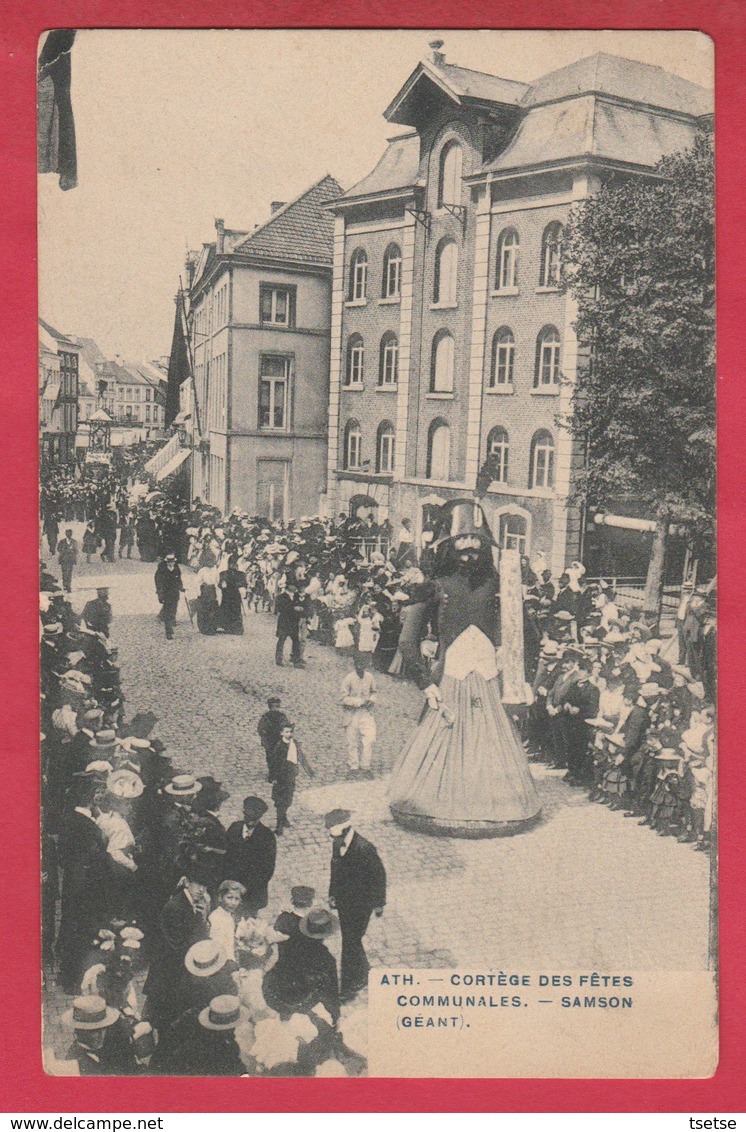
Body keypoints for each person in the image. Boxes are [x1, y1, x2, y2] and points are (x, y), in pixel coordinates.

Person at [388, 500, 541, 836]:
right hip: (449, 681)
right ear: (449, 547)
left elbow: (526, 634)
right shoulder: (434, 586)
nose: (470, 554)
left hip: (489, 682)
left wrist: (520, 674)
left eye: (477, 547)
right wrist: (425, 683)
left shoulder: (500, 585)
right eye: (463, 546)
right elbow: (406, 640)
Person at [56, 776, 111, 993]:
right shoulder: (85, 825)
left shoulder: (70, 818)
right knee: (81, 930)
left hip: (74, 882)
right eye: (95, 794)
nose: (99, 798)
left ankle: (67, 974)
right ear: (88, 798)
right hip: (85, 885)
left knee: (72, 926)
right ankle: (73, 980)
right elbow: (96, 856)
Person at [326, 809, 386, 1001]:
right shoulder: (337, 843)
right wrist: (333, 894)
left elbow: (379, 876)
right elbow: (335, 868)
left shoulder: (365, 848)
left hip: (361, 904)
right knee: (351, 940)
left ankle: (349, 987)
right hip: (344, 901)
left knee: (350, 942)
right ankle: (363, 971)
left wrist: (378, 904)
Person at [142, 872, 211, 1033]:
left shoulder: (193, 904)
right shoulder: (175, 906)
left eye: (205, 886)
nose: (202, 890)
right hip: (168, 976)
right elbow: (180, 947)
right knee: (168, 1026)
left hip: (178, 976)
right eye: (198, 884)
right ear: (187, 883)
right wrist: (201, 921)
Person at [262, 907, 341, 1024]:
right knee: (322, 983)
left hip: (272, 992)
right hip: (299, 1002)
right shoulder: (326, 958)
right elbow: (330, 993)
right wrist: (336, 1015)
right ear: (326, 934)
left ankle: (285, 1015)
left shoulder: (289, 940)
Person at [224, 796, 277, 918]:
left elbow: (267, 869)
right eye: (247, 817)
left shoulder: (267, 836)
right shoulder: (234, 828)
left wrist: (246, 887)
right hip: (230, 889)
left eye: (254, 819)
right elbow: (225, 858)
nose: (249, 822)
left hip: (252, 894)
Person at [269, 723, 315, 835]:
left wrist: (309, 771)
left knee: (288, 799)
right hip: (281, 777)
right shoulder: (279, 746)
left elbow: (301, 757)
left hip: (291, 776)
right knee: (280, 801)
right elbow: (273, 763)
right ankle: (279, 825)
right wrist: (273, 777)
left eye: (290, 732)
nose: (289, 734)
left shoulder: (294, 743)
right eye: (286, 732)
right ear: (281, 733)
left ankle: (284, 819)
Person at [340, 654, 378, 779]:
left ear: (366, 665)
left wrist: (372, 700)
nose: (359, 667)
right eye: (357, 665)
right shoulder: (349, 678)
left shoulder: (370, 677)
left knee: (369, 739)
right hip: (352, 714)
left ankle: (366, 766)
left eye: (362, 665)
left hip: (366, 714)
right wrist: (359, 701)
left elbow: (374, 692)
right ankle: (353, 767)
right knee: (352, 742)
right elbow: (343, 698)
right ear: (354, 664)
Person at [63, 995, 121, 1075]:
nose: (101, 1035)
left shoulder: (101, 1048)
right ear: (80, 1031)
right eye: (94, 1031)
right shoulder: (75, 1064)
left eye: (103, 1028)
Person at [209, 880, 247, 962]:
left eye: (237, 899)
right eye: (229, 898)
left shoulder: (229, 916)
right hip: (220, 962)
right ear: (220, 897)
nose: (233, 903)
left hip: (229, 960)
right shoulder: (216, 917)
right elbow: (214, 945)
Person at [257, 697, 290, 780]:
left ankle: (273, 775)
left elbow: (261, 729)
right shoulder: (282, 716)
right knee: (279, 757)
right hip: (277, 741)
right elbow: (287, 728)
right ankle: (277, 774)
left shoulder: (266, 717)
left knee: (272, 757)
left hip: (270, 741)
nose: (275, 708)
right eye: (274, 706)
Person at [154, 553, 185, 640]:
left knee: (173, 610)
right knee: (168, 612)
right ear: (166, 562)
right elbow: (158, 582)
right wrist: (160, 594)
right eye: (169, 562)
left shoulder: (176, 568)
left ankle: (170, 624)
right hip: (166, 594)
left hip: (175, 593)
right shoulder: (161, 570)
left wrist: (181, 587)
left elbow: (179, 579)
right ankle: (168, 631)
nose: (171, 564)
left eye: (172, 562)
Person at [275, 583, 306, 667]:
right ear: (289, 586)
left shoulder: (296, 596)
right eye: (293, 585)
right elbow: (280, 608)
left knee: (296, 641)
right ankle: (279, 659)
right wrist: (293, 608)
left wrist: (301, 609)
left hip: (293, 622)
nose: (295, 587)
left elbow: (302, 605)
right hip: (284, 622)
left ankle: (296, 660)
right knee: (281, 640)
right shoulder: (280, 597)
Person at [218, 555, 247, 635]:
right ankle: (226, 626)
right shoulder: (223, 573)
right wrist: (222, 584)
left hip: (235, 595)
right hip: (226, 595)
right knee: (225, 609)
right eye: (231, 564)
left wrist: (240, 587)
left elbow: (244, 583)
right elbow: (220, 584)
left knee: (235, 610)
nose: (232, 566)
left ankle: (236, 628)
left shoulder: (241, 574)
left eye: (234, 564)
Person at [195, 553, 220, 636]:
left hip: (212, 590)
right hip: (205, 591)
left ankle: (212, 627)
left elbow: (217, 581)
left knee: (213, 609)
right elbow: (197, 583)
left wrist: (217, 592)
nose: (211, 563)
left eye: (212, 561)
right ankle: (204, 628)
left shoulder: (215, 570)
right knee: (204, 609)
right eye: (209, 561)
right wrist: (199, 593)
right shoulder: (202, 570)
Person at [57, 528, 79, 594]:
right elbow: (58, 549)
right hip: (63, 559)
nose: (69, 534)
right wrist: (65, 550)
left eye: (70, 533)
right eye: (68, 533)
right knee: (64, 572)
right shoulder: (62, 541)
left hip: (71, 559)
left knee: (69, 573)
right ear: (66, 534)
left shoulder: (74, 541)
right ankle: (65, 585)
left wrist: (72, 552)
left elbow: (76, 551)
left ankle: (68, 586)